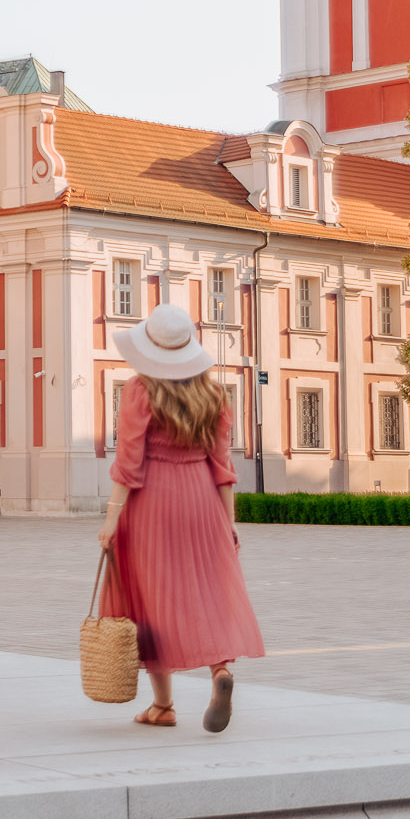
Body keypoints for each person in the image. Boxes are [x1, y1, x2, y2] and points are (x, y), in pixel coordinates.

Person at [96, 303, 264, 732]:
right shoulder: (213, 395)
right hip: (202, 500)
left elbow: (128, 466)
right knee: (207, 591)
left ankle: (164, 705)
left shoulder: (139, 391)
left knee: (151, 599)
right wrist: (229, 524)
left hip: (151, 501)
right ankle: (220, 671)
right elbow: (223, 467)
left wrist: (111, 520)